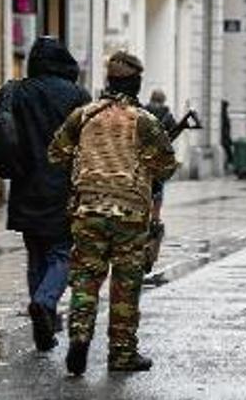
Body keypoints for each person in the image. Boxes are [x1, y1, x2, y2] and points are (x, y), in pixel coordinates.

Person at [49, 50, 177, 375]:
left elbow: (56, 153)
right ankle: (121, 353)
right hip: (130, 215)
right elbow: (165, 165)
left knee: (86, 278)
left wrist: (84, 167)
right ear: (136, 82)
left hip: (88, 209)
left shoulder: (84, 115)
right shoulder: (144, 120)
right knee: (125, 283)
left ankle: (79, 336)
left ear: (109, 80)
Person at [0, 37, 91, 351]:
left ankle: (41, 327)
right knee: (62, 252)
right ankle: (44, 303)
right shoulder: (77, 95)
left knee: (36, 255)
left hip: (25, 184)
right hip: (64, 188)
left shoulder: (17, 91)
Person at [144, 90, 177, 273]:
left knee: (146, 191)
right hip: (159, 162)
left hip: (144, 162)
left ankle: (147, 216)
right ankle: (155, 219)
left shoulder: (143, 111)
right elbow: (171, 137)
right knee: (158, 193)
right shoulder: (167, 115)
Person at [221, 100, 233, 170]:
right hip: (225, 136)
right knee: (228, 152)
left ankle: (228, 164)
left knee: (228, 151)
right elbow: (226, 126)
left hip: (226, 136)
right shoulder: (224, 114)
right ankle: (229, 164)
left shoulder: (224, 114)